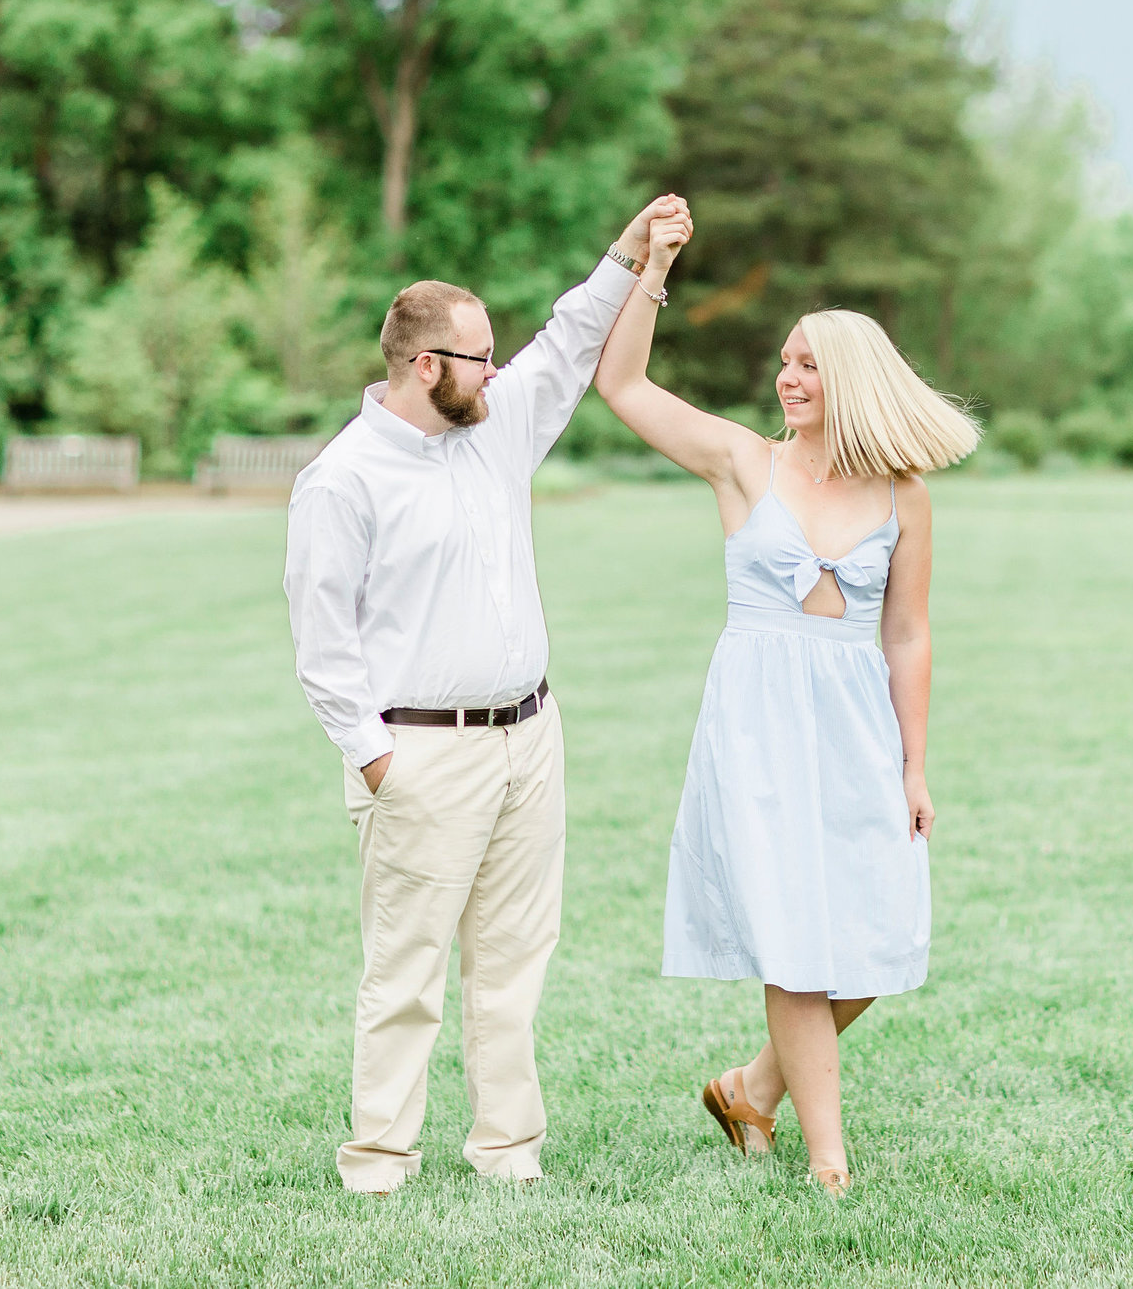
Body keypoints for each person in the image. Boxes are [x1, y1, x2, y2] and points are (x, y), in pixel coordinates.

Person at [283, 194, 690, 1195]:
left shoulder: (494, 428)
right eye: (477, 357)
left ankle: (509, 1154)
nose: (497, 370)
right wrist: (379, 758)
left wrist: (630, 254)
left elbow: (568, 341)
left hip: (528, 735)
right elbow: (323, 644)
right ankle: (378, 1162)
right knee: (406, 972)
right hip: (422, 753)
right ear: (426, 366)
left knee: (513, 964)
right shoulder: (343, 480)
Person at [592, 224, 981, 1195]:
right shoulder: (741, 462)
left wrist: (915, 763)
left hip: (857, 726)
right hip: (757, 722)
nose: (787, 376)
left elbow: (908, 633)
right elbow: (625, 388)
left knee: (881, 936)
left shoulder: (904, 496)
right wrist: (654, 272)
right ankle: (828, 1158)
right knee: (796, 934)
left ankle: (748, 1087)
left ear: (851, 376)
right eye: (783, 361)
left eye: (807, 363)